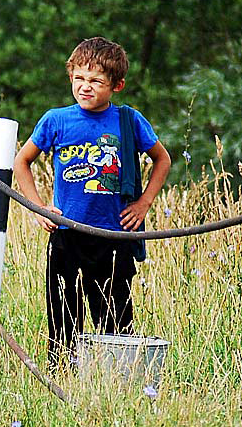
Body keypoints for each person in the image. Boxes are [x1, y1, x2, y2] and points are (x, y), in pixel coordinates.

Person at [13, 37, 171, 370]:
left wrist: (144, 203)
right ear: (70, 76)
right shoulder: (56, 120)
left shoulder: (128, 120)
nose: (86, 87)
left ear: (117, 85)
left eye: (96, 81)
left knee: (114, 318)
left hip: (114, 235)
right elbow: (21, 162)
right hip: (66, 233)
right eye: (80, 78)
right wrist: (38, 206)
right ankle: (61, 377)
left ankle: (112, 382)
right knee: (63, 315)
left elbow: (162, 159)